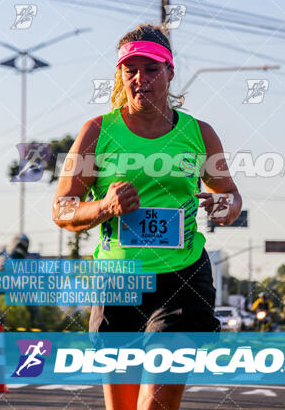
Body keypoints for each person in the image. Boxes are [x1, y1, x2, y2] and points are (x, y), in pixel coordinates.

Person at [53, 23, 242, 410]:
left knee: (156, 403)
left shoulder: (199, 134)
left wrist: (225, 207)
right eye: (131, 69)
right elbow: (62, 209)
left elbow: (231, 196)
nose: (141, 79)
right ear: (120, 74)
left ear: (170, 73)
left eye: (152, 69)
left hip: (183, 280)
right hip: (118, 282)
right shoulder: (97, 133)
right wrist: (104, 207)